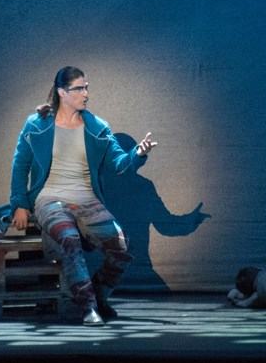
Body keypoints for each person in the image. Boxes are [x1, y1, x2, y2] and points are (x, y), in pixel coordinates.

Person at [10, 66, 157, 326]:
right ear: (62, 92)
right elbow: (20, 164)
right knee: (69, 238)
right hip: (49, 199)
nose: (86, 93)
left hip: (86, 199)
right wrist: (20, 204)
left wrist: (137, 153)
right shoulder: (37, 124)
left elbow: (119, 164)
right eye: (79, 88)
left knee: (122, 246)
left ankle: (98, 293)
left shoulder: (97, 127)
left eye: (87, 87)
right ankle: (87, 306)